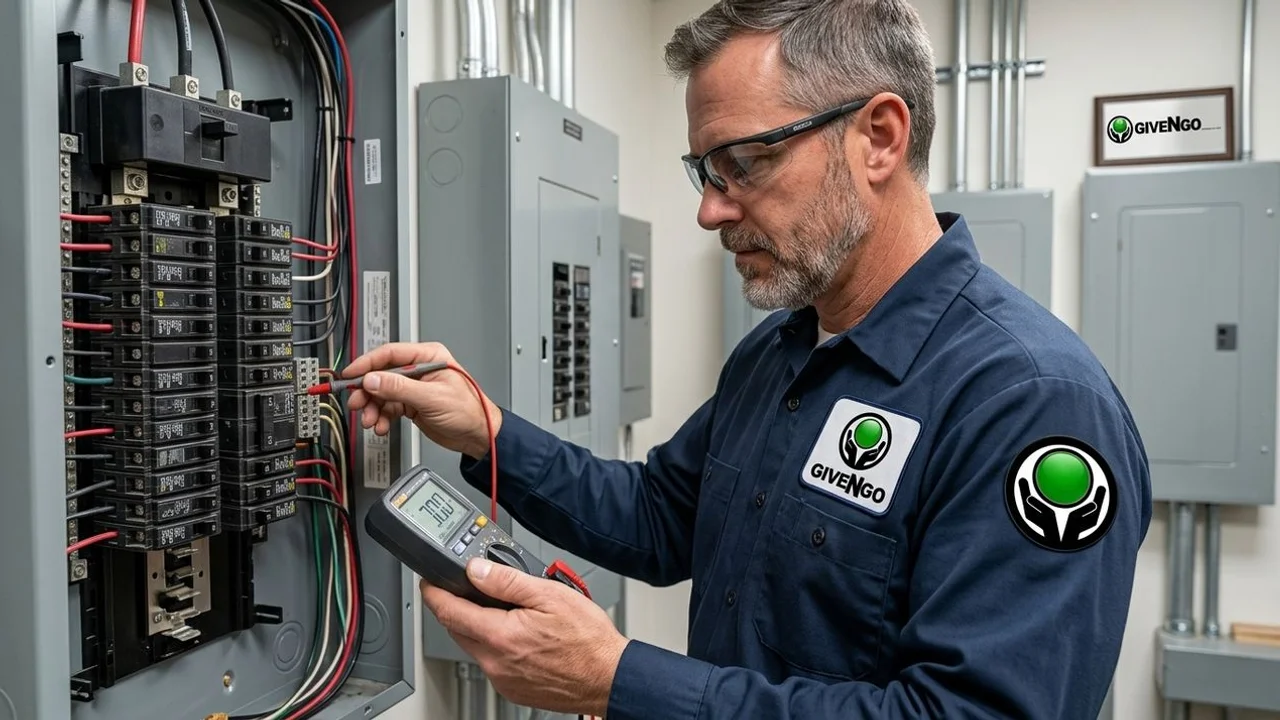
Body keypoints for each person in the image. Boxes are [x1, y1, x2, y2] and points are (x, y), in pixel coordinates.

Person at [345, 0, 1153, 717]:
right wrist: (487, 432)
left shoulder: (1030, 402)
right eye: (705, 170)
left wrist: (619, 679)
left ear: (878, 137)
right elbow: (661, 517)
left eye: (745, 163)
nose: (709, 209)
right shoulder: (778, 351)